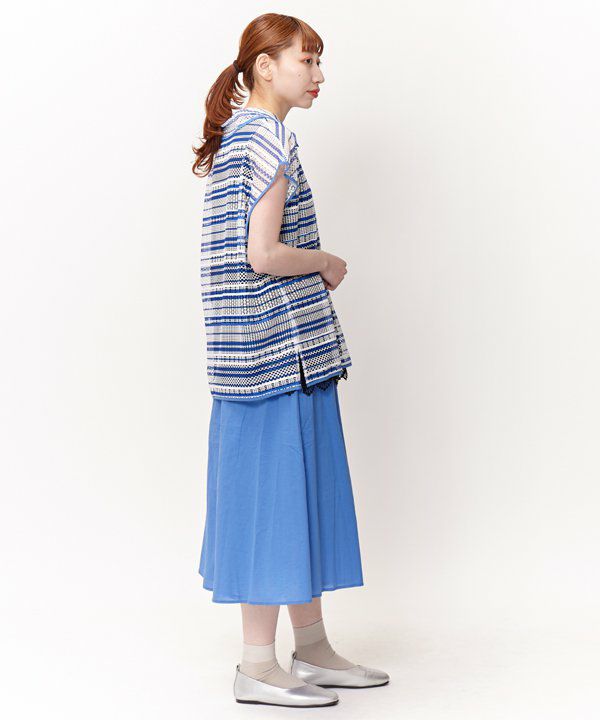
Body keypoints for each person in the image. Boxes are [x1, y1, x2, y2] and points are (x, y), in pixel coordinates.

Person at [192, 13, 390, 708]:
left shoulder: (237, 135)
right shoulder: (268, 137)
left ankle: (310, 648)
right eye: (307, 60)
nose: (319, 74)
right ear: (265, 65)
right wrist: (326, 261)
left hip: (254, 353)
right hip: (276, 351)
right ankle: (257, 665)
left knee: (290, 497)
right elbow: (264, 253)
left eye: (318, 60)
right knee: (273, 504)